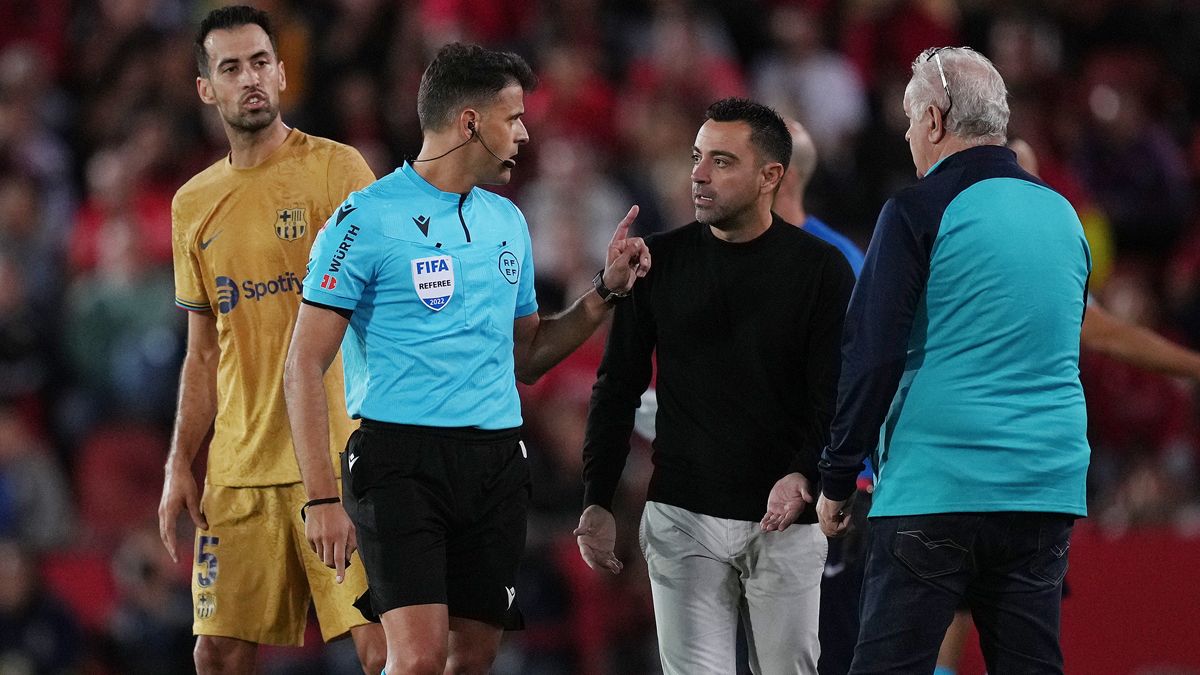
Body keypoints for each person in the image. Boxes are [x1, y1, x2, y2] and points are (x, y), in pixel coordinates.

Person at [283, 42, 650, 675]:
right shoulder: (364, 219)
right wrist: (320, 498)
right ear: (471, 122)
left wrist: (605, 293)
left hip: (494, 463)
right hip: (400, 461)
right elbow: (302, 366)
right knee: (417, 660)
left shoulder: (508, 221)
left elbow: (528, 356)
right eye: (514, 117)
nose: (525, 133)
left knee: (473, 658)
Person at [817, 47, 1091, 675]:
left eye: (911, 121)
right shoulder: (1065, 215)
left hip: (936, 486)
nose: (908, 137)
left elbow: (872, 354)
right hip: (1044, 490)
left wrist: (838, 476)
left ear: (935, 120)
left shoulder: (916, 210)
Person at [577, 97, 854, 675]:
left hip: (786, 521)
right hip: (682, 517)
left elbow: (834, 394)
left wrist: (805, 473)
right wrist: (597, 497)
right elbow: (617, 386)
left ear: (770, 176)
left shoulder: (822, 269)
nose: (699, 174)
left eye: (722, 161)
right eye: (697, 157)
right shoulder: (655, 262)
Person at [156, 6, 384, 674]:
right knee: (216, 654)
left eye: (260, 62)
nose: (250, 78)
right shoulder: (192, 204)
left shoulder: (339, 171)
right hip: (240, 468)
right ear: (207, 89)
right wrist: (179, 461)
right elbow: (203, 350)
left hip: (340, 456)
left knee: (384, 648)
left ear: (283, 73)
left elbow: (387, 313)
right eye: (231, 68)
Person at [930, 137, 1200, 675]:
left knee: (958, 610)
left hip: (980, 464)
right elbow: (1104, 333)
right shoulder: (1010, 255)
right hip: (1000, 465)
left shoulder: (953, 241)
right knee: (989, 617)